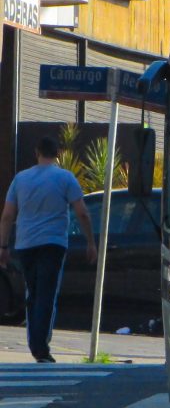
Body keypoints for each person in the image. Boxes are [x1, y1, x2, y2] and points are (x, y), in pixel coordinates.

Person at [0, 136, 97, 363]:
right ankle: (40, 346)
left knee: (33, 293)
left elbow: (7, 215)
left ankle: (36, 343)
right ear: (58, 154)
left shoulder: (20, 179)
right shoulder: (65, 178)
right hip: (53, 243)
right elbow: (82, 212)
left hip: (25, 244)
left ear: (37, 152)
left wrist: (3, 245)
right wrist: (90, 241)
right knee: (46, 294)